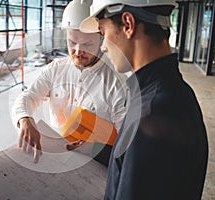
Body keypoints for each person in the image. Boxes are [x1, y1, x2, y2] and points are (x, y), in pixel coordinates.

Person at [80, 0, 209, 199]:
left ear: (128, 25)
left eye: (103, 33)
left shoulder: (151, 113)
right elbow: (140, 166)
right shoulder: (173, 93)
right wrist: (94, 149)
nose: (104, 47)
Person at [12, 0, 128, 165]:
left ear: (102, 39)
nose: (78, 51)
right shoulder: (55, 69)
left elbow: (126, 143)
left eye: (87, 44)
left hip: (94, 162)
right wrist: (25, 119)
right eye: (72, 43)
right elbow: (29, 95)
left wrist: (95, 149)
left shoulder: (117, 84)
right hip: (55, 155)